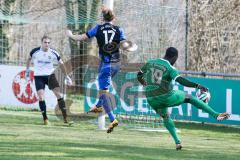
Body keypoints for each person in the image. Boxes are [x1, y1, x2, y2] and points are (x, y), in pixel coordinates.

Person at [137, 47, 230, 150]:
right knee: (190, 97)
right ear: (174, 57)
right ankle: (216, 115)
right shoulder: (170, 68)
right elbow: (180, 80)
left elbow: (139, 74)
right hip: (165, 97)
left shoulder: (150, 62)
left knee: (166, 117)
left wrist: (143, 83)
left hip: (151, 99)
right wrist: (197, 86)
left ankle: (177, 142)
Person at [66, 6, 127, 133]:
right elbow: (125, 45)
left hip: (106, 64)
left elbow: (82, 37)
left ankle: (112, 119)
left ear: (102, 18)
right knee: (104, 90)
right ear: (113, 18)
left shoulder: (98, 28)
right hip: (116, 64)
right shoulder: (119, 29)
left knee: (103, 93)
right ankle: (98, 106)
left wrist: (71, 35)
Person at [25, 35, 73, 125]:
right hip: (39, 77)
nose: (47, 44)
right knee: (41, 97)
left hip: (50, 76)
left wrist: (67, 76)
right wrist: (27, 71)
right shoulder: (35, 51)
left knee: (59, 95)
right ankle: (45, 119)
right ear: (41, 43)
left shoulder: (54, 52)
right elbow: (28, 59)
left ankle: (66, 118)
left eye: (48, 43)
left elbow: (61, 64)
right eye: (45, 42)